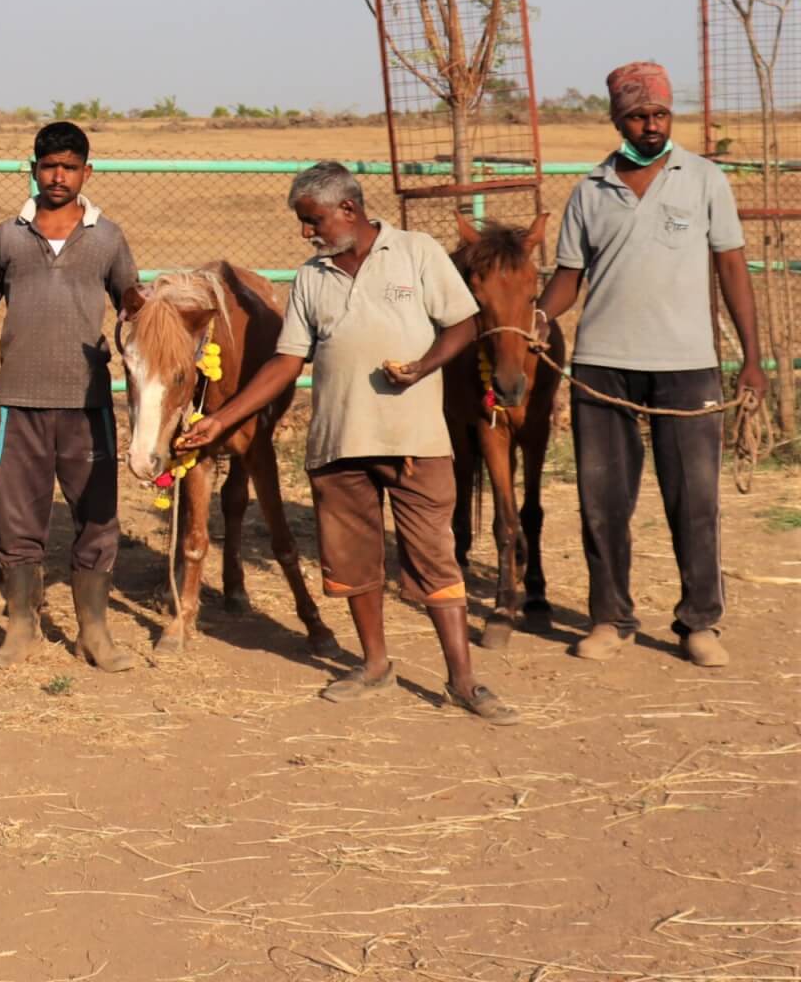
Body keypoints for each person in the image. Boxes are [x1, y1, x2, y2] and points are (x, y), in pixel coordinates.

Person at [178, 162, 518, 724]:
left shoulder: (416, 252)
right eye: (303, 223)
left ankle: (463, 680)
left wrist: (423, 366)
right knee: (354, 562)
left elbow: (462, 323)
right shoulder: (311, 277)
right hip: (338, 443)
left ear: (348, 211)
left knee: (434, 557)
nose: (305, 233)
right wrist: (221, 421)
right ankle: (375, 664)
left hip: (414, 441)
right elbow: (288, 361)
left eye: (311, 221)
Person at [538, 61, 763, 668]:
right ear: (617, 120)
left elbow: (732, 268)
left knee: (694, 500)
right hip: (601, 365)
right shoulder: (590, 190)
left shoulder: (705, 179)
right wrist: (537, 317)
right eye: (638, 116)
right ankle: (610, 618)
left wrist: (751, 359)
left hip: (687, 364)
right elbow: (568, 277)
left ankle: (699, 623)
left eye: (660, 114)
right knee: (602, 501)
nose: (651, 125)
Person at [0, 121, 138, 671]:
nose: (58, 177)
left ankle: (94, 632)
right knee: (16, 516)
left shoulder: (107, 238)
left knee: (97, 515)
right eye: (48, 166)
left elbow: (128, 297)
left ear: (88, 170)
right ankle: (20, 627)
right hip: (19, 400)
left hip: (88, 404)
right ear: (32, 168)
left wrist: (144, 303)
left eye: (69, 167)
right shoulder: (9, 235)